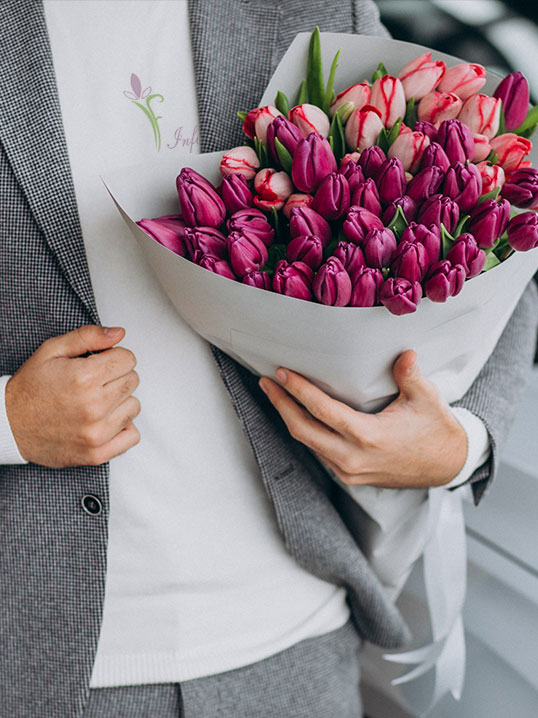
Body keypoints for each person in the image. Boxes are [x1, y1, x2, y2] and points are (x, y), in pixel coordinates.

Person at [1, 1, 536, 716]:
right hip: (45, 658)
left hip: (295, 640)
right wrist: (8, 420)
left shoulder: (310, 7)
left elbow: (488, 243)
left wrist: (460, 444)